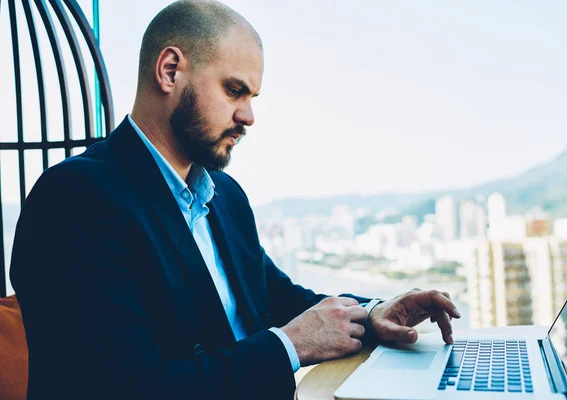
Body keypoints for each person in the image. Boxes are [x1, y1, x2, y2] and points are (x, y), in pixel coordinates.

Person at [10, 1, 461, 399]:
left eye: (252, 96)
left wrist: (375, 313)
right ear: (170, 71)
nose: (248, 116)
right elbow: (129, 387)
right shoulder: (73, 199)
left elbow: (276, 297)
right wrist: (289, 346)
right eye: (234, 90)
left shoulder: (224, 196)